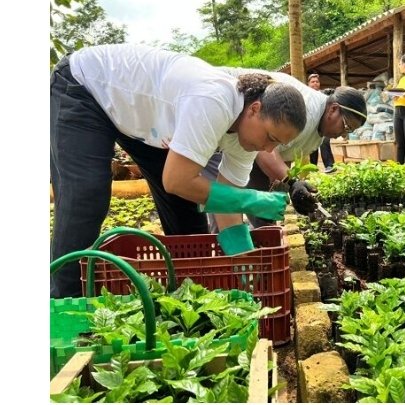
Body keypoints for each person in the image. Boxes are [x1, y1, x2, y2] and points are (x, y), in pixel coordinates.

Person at [50, 44, 307, 298]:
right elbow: (176, 181)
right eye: (270, 137)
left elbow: (226, 208)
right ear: (255, 109)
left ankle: (190, 297)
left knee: (188, 222)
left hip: (139, 117)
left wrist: (248, 277)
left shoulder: (248, 140)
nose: (268, 149)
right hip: (85, 87)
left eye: (276, 144)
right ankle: (64, 301)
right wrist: (251, 199)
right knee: (86, 197)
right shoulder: (214, 101)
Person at [203, 67, 368, 229]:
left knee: (257, 214)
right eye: (346, 126)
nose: (343, 135)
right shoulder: (304, 112)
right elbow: (264, 148)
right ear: (333, 109)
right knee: (220, 204)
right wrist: (291, 183)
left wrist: (286, 188)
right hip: (213, 112)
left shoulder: (317, 135)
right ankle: (219, 241)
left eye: (349, 131)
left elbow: (279, 155)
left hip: (241, 134)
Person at [306, 73, 336, 173]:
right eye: (312, 82)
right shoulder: (306, 95)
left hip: (324, 123)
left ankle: (329, 166)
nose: (315, 83)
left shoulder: (323, 94)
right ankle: (313, 168)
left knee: (324, 142)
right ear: (308, 84)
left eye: (317, 82)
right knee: (312, 146)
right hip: (312, 123)